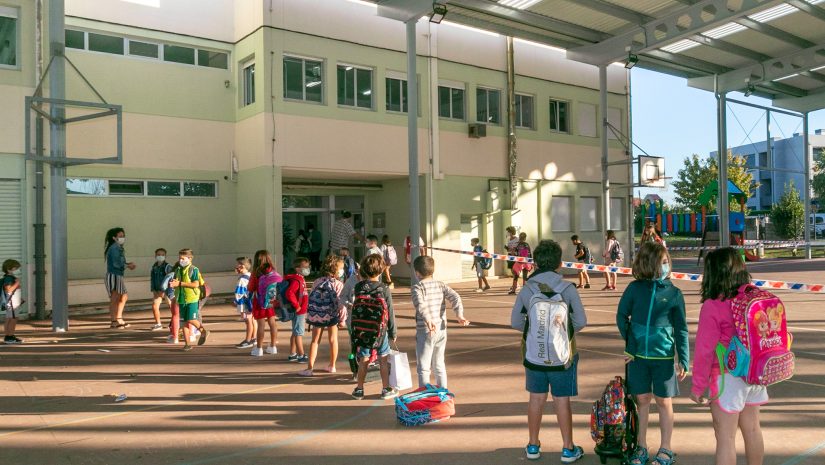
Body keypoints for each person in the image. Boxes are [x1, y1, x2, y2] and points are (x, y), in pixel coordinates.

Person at [511, 240, 586, 463]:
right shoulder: (568, 289)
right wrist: (563, 331)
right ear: (559, 263)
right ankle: (568, 448)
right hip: (562, 357)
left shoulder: (527, 289)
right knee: (562, 400)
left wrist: (536, 330)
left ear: (534, 261)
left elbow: (516, 321)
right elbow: (581, 320)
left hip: (535, 356)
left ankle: (533, 446)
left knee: (536, 399)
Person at [690, 247, 767, 465]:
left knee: (726, 437)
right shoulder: (753, 298)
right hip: (754, 372)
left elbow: (705, 350)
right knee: (752, 429)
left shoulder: (713, 305)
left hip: (727, 376)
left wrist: (698, 386)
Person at [616, 242, 688, 465]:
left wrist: (684, 358)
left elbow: (681, 328)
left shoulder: (675, 294)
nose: (666, 266)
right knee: (642, 400)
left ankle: (666, 449)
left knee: (664, 401)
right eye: (661, 263)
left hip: (664, 359)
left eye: (667, 262)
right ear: (648, 264)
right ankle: (641, 447)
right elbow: (621, 316)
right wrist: (630, 345)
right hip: (637, 360)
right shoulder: (634, 289)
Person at [411, 255, 469, 388]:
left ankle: (425, 395)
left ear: (417, 272)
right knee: (439, 364)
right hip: (441, 329)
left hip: (425, 330)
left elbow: (420, 305)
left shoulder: (417, 287)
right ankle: (444, 393)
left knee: (424, 368)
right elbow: (455, 296)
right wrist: (459, 314)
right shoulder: (440, 285)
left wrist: (427, 319)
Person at [351, 254, 398, 400]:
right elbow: (389, 311)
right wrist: (393, 331)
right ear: (381, 270)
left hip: (363, 330)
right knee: (383, 359)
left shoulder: (358, 287)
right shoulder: (383, 288)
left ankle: (359, 389)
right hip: (380, 330)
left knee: (364, 359)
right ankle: (385, 389)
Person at [298, 254, 346, 376]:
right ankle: (332, 365)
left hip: (317, 315)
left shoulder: (317, 281)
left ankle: (309, 368)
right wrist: (342, 319)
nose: (342, 271)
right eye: (341, 268)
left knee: (315, 341)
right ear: (336, 270)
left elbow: (311, 299)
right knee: (333, 340)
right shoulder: (339, 284)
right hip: (332, 315)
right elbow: (341, 304)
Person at [168, 249, 210, 351]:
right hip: (181, 299)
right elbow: (178, 282)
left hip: (192, 299)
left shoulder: (193, 269)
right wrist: (174, 283)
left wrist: (180, 284)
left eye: (183, 258)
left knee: (190, 319)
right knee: (183, 322)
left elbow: (196, 284)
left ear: (190, 258)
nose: (181, 260)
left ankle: (204, 331)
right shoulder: (178, 270)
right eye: (180, 258)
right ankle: (187, 344)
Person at [248, 249, 281, 357]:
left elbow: (251, 288)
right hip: (271, 300)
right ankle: (273, 346)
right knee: (272, 322)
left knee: (261, 324)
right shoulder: (273, 270)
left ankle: (259, 349)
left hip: (259, 301)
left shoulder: (256, 273)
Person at [104, 227, 136, 329]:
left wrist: (127, 264)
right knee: (115, 298)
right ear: (114, 238)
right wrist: (127, 266)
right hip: (114, 275)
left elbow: (120, 262)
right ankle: (114, 321)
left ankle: (119, 318)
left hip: (118, 275)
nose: (122, 238)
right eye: (120, 236)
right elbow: (116, 263)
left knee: (123, 297)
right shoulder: (114, 248)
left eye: (123, 236)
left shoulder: (118, 248)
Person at [285, 257, 310, 363]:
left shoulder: (300, 278)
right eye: (305, 266)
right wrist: (297, 306)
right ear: (297, 268)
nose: (307, 268)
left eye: (308, 266)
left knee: (295, 332)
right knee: (299, 333)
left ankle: (292, 353)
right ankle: (301, 355)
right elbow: (289, 293)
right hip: (299, 311)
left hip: (300, 310)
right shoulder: (297, 279)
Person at [233, 257, 257, 349]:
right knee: (253, 320)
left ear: (242, 266)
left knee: (248, 322)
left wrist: (236, 301)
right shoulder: (251, 276)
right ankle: (253, 338)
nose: (236, 267)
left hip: (244, 303)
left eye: (238, 265)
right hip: (251, 302)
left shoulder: (242, 279)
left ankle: (247, 340)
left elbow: (239, 293)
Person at [149, 248, 172, 331]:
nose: (160, 256)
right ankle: (158, 324)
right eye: (158, 254)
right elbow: (152, 279)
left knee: (171, 306)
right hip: (157, 291)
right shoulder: (154, 267)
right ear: (155, 255)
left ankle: (175, 322)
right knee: (154, 306)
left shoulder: (168, 266)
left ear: (165, 256)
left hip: (167, 291)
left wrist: (165, 289)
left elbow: (171, 278)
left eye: (162, 255)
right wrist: (153, 289)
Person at [2, 259, 24, 344]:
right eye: (16, 268)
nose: (17, 269)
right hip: (12, 303)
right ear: (9, 268)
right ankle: (10, 337)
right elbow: (8, 290)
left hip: (12, 302)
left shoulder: (9, 278)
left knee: (9, 319)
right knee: (13, 319)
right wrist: (17, 283)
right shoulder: (9, 279)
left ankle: (9, 336)